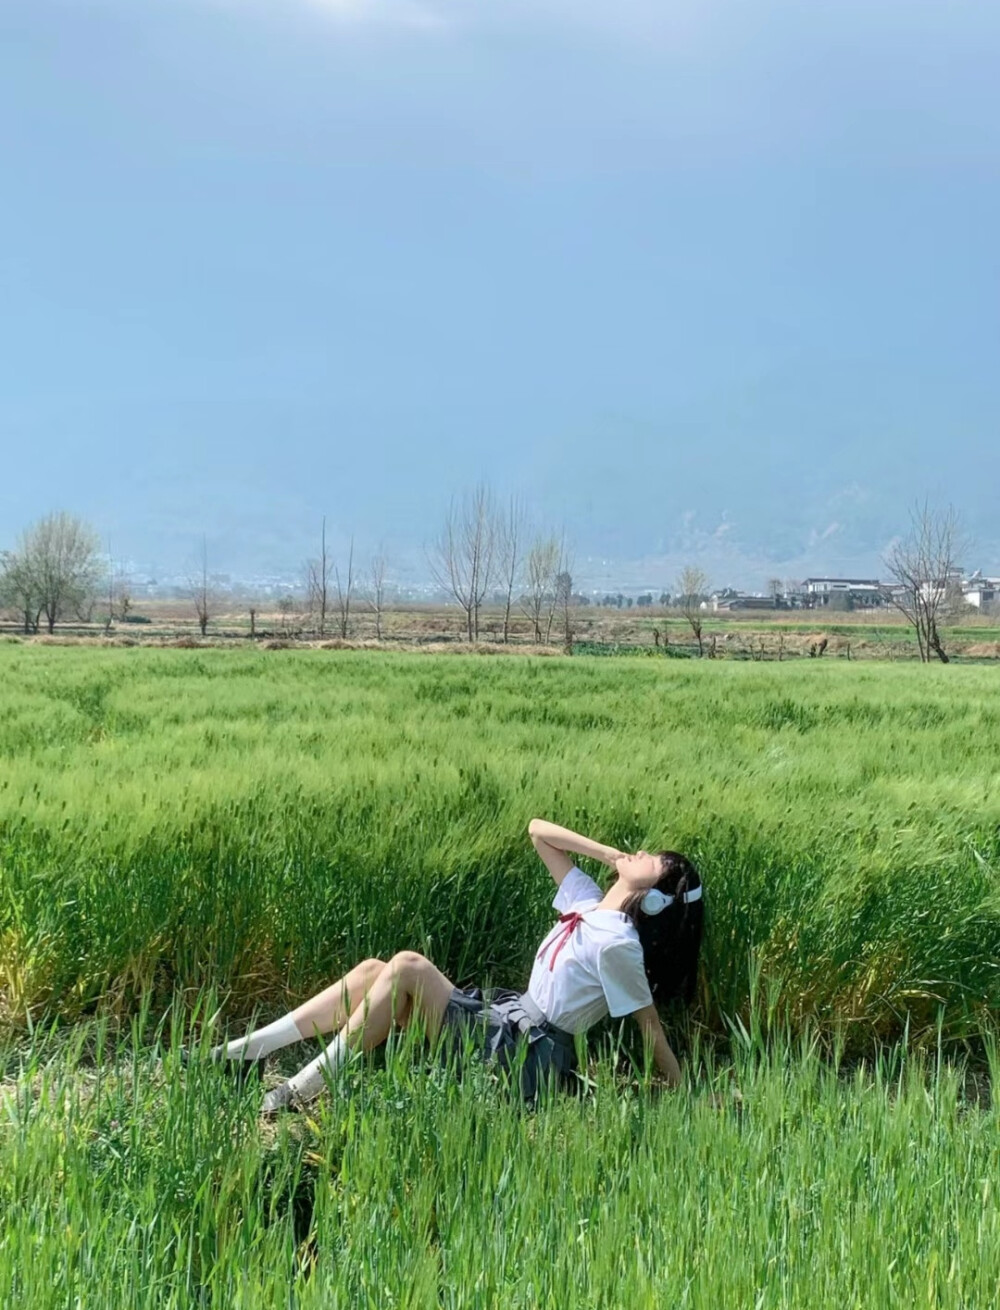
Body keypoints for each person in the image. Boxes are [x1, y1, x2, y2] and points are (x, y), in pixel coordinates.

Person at [199, 818, 704, 1116]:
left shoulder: (618, 943)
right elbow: (537, 831)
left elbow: (649, 1026)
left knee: (408, 967)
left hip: (528, 1055)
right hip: (507, 1022)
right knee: (375, 969)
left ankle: (300, 1090)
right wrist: (610, 854)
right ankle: (243, 1054)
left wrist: (683, 1095)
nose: (642, 851)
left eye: (652, 860)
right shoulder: (588, 903)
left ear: (656, 899)